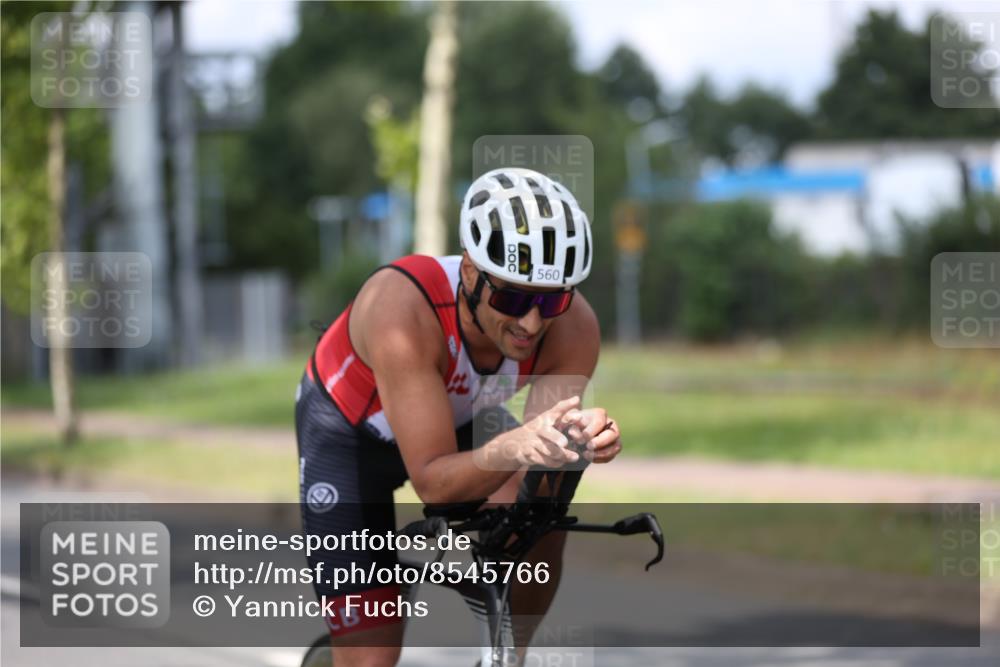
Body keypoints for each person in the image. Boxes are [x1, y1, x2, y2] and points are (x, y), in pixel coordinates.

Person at [295, 167, 622, 666]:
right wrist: (513, 447)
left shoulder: (573, 327)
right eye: (512, 296)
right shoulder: (402, 308)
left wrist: (579, 443)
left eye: (551, 299)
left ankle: (511, 653)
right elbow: (434, 481)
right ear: (470, 272)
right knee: (372, 658)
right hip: (348, 435)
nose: (531, 322)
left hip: (459, 420)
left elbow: (544, 463)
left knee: (544, 510)